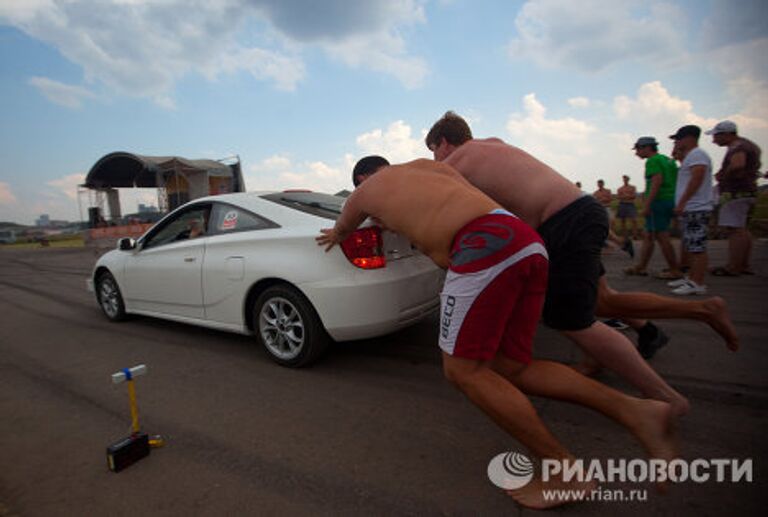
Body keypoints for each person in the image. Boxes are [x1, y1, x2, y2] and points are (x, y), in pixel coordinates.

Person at [317, 158, 677, 510]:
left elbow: (343, 228)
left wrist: (338, 230)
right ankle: (637, 412)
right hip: (525, 241)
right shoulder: (428, 168)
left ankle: (565, 470)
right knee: (511, 366)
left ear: (362, 178)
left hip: (481, 247)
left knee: (463, 371)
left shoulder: (365, 194)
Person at [425, 112, 690, 414]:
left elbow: (425, 193)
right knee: (600, 301)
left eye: (433, 151)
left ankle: (667, 398)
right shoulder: (493, 146)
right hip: (580, 212)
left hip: (564, 221)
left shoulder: (458, 162)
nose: (435, 160)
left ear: (443, 142)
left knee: (572, 320)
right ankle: (626, 344)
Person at [706, 120, 762, 276]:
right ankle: (743, 264)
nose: (714, 140)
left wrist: (724, 175)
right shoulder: (750, 145)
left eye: (716, 136)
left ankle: (733, 266)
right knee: (742, 229)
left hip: (736, 192)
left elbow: (738, 164)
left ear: (727, 134)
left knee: (734, 230)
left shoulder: (738, 147)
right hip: (748, 191)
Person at [623, 137, 682, 279]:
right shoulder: (668, 160)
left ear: (646, 148)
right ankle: (641, 266)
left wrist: (647, 205)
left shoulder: (653, 161)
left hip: (658, 201)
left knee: (662, 236)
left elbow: (656, 181)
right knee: (649, 235)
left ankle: (674, 269)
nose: (636, 153)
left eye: (638, 149)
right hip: (669, 199)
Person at [666, 125, 714, 295]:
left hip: (696, 207)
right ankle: (692, 278)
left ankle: (697, 282)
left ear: (689, 138)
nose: (676, 142)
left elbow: (697, 178)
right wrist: (676, 150)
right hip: (692, 207)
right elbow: (676, 159)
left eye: (678, 139)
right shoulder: (690, 156)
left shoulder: (697, 155)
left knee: (697, 247)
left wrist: (683, 202)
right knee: (691, 245)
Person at [594, 179, 634, 258]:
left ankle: (620, 243)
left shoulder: (607, 191)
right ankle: (620, 243)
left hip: (606, 208)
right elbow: (597, 200)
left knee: (603, 227)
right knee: (601, 228)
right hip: (599, 208)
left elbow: (609, 199)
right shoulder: (596, 193)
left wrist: (602, 200)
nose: (599, 185)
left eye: (600, 183)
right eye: (598, 184)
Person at [616, 175, 639, 240]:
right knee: (623, 220)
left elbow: (634, 196)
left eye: (626, 179)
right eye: (624, 179)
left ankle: (635, 235)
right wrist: (628, 196)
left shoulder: (633, 187)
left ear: (628, 179)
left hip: (630, 204)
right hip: (622, 204)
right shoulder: (620, 189)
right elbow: (618, 197)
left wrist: (625, 196)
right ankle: (625, 236)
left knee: (634, 220)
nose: (625, 180)